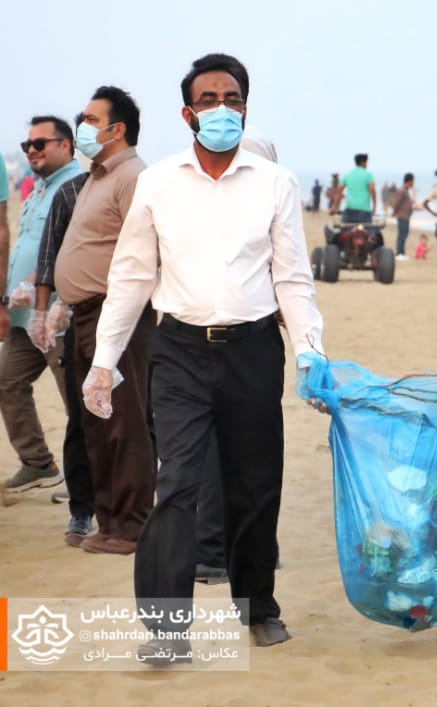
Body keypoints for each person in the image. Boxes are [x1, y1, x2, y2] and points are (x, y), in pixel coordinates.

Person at [82, 53, 325, 662]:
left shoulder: (275, 182)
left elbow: (292, 276)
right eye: (209, 100)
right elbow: (132, 275)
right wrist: (104, 360)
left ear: (246, 107)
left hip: (253, 351)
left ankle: (258, 608)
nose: (222, 109)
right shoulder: (159, 182)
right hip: (179, 352)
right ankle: (167, 630)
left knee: (254, 484)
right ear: (187, 113)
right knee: (178, 483)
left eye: (232, 99)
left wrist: (310, 352)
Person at [33, 86, 155, 556]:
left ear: (116, 129)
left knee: (124, 421)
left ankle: (132, 526)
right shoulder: (97, 178)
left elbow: (144, 253)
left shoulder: (133, 177)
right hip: (84, 316)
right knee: (95, 424)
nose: (81, 126)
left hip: (116, 315)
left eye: (89, 119)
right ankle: (109, 521)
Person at [1, 116, 84, 496]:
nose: (31, 151)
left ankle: (88, 477)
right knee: (7, 381)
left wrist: (33, 285)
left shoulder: (76, 186)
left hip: (56, 315)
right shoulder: (39, 188)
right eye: (27, 145)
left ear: (65, 145)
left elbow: (68, 248)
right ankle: (38, 463)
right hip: (24, 315)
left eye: (40, 144)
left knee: (76, 400)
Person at [332, 153, 375, 222]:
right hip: (364, 210)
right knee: (367, 228)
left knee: (345, 228)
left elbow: (338, 191)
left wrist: (334, 207)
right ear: (363, 163)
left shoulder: (348, 175)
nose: (367, 164)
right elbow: (372, 190)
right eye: (366, 162)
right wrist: (374, 207)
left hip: (350, 210)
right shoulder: (368, 175)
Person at [392, 173, 415, 258]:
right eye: (412, 181)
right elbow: (396, 203)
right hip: (402, 216)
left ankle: (401, 252)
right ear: (409, 181)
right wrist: (394, 212)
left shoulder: (406, 190)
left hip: (406, 216)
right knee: (402, 234)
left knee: (404, 234)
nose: (413, 183)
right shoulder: (402, 190)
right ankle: (399, 253)